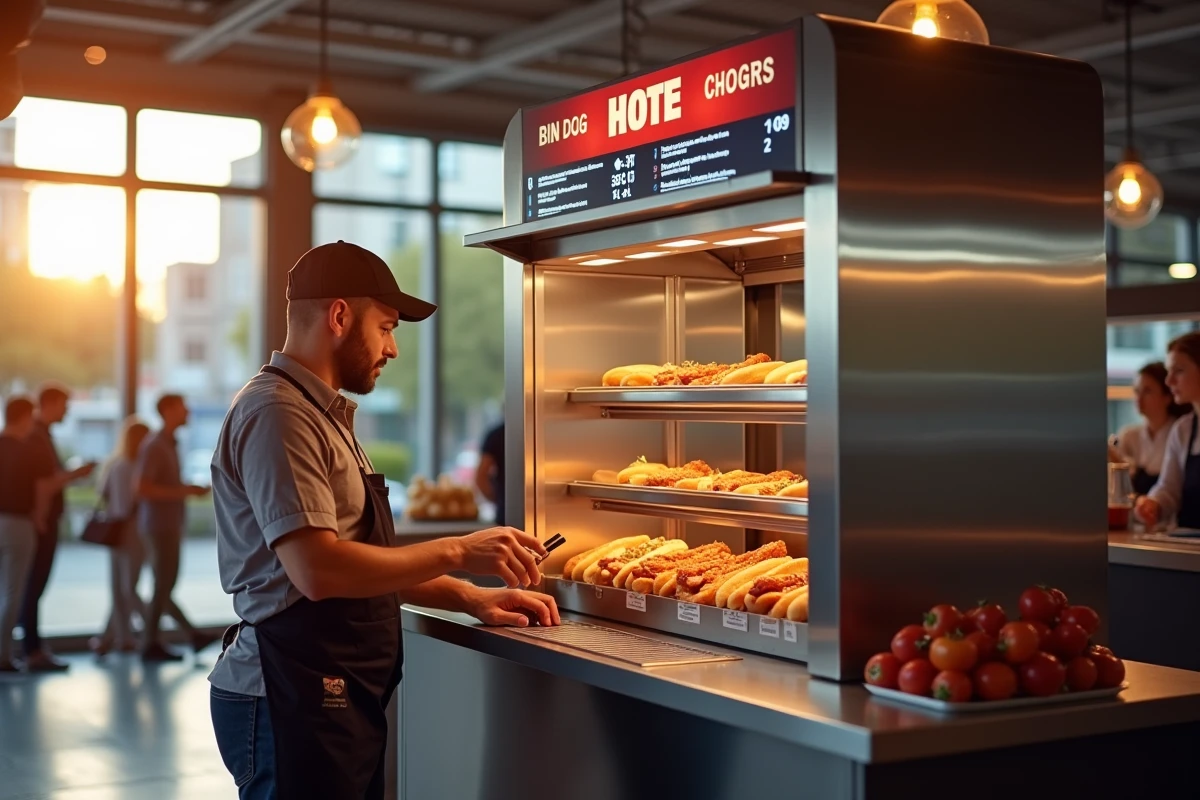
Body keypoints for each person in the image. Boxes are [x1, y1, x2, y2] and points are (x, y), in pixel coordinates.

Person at [208, 240, 559, 800]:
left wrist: (468, 596)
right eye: (387, 327)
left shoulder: (321, 415)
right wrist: (458, 550)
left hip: (328, 690)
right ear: (340, 316)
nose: (393, 348)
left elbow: (359, 562)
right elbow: (319, 570)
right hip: (287, 691)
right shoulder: (279, 414)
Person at [21, 383, 96, 672]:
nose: (67, 411)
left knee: (31, 586)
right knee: (33, 585)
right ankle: (33, 650)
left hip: (41, 521)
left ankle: (33, 647)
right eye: (64, 406)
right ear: (50, 404)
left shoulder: (40, 435)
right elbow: (44, 483)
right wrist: (75, 474)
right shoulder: (38, 437)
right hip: (42, 522)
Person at [136, 394, 212, 662]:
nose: (187, 412)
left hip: (166, 525)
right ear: (168, 410)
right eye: (182, 407)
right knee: (163, 585)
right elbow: (143, 488)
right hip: (159, 527)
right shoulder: (155, 445)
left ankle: (184, 636)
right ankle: (152, 643)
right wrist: (184, 491)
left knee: (164, 585)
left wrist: (184, 491)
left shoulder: (167, 444)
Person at [90, 417, 151, 656]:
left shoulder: (115, 464)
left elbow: (104, 494)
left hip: (114, 530)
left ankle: (111, 638)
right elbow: (138, 501)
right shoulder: (138, 467)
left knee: (119, 586)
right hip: (134, 529)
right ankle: (150, 628)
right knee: (128, 587)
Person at [1137, 333, 1200, 530]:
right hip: (1188, 548)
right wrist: (1152, 504)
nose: (1169, 381)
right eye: (1168, 371)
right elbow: (1168, 489)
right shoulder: (1183, 429)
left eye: (1178, 371)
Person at [0, 396, 42, 672]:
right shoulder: (25, 450)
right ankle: (3, 655)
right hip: (18, 523)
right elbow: (41, 487)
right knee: (13, 591)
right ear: (26, 416)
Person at [1110, 362, 1189, 496]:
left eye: (1147, 391)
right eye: (1136, 391)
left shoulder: (1182, 432)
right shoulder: (1129, 436)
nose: (1139, 398)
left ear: (1167, 397)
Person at [476, 421, 505, 524]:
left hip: (505, 511)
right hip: (505, 511)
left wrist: (498, 500)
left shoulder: (496, 434)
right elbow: (481, 477)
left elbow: (480, 477)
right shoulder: (497, 435)